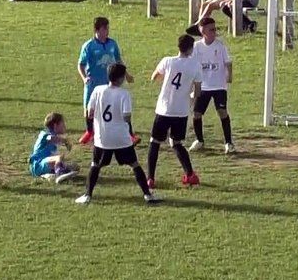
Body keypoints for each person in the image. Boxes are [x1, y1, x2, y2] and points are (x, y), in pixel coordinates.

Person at [76, 63, 161, 206]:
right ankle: (147, 194)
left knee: (95, 165)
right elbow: (126, 117)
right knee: (134, 164)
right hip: (121, 138)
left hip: (102, 138)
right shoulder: (124, 94)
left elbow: (89, 113)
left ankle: (87, 195)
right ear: (121, 78)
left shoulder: (97, 90)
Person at [147, 34, 203, 189]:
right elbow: (198, 91)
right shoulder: (195, 66)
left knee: (155, 142)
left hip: (164, 109)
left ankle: (150, 178)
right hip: (181, 111)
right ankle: (190, 174)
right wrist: (191, 95)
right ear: (190, 49)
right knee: (176, 143)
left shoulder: (168, 61)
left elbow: (154, 77)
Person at [77, 16, 134, 145]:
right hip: (93, 83)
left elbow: (118, 60)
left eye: (108, 28)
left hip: (110, 82)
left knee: (119, 107)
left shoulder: (112, 44)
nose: (107, 31)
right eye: (105, 29)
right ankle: (89, 132)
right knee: (88, 110)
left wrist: (126, 74)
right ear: (97, 30)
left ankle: (131, 134)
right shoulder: (89, 46)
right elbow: (80, 64)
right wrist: (84, 78)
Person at [190, 17, 235, 154]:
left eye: (215, 29)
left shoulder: (220, 46)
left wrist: (229, 75)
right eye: (212, 29)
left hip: (218, 86)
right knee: (197, 113)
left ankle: (228, 143)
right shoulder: (196, 47)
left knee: (222, 111)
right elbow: (191, 64)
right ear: (203, 31)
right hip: (203, 86)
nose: (215, 32)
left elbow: (228, 62)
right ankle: (199, 140)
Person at [29, 112, 79, 184]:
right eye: (62, 124)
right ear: (55, 125)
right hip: (37, 165)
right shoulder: (45, 134)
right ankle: (60, 174)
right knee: (58, 158)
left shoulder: (52, 135)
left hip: (45, 164)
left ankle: (50, 175)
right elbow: (50, 138)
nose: (64, 126)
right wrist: (64, 140)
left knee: (74, 167)